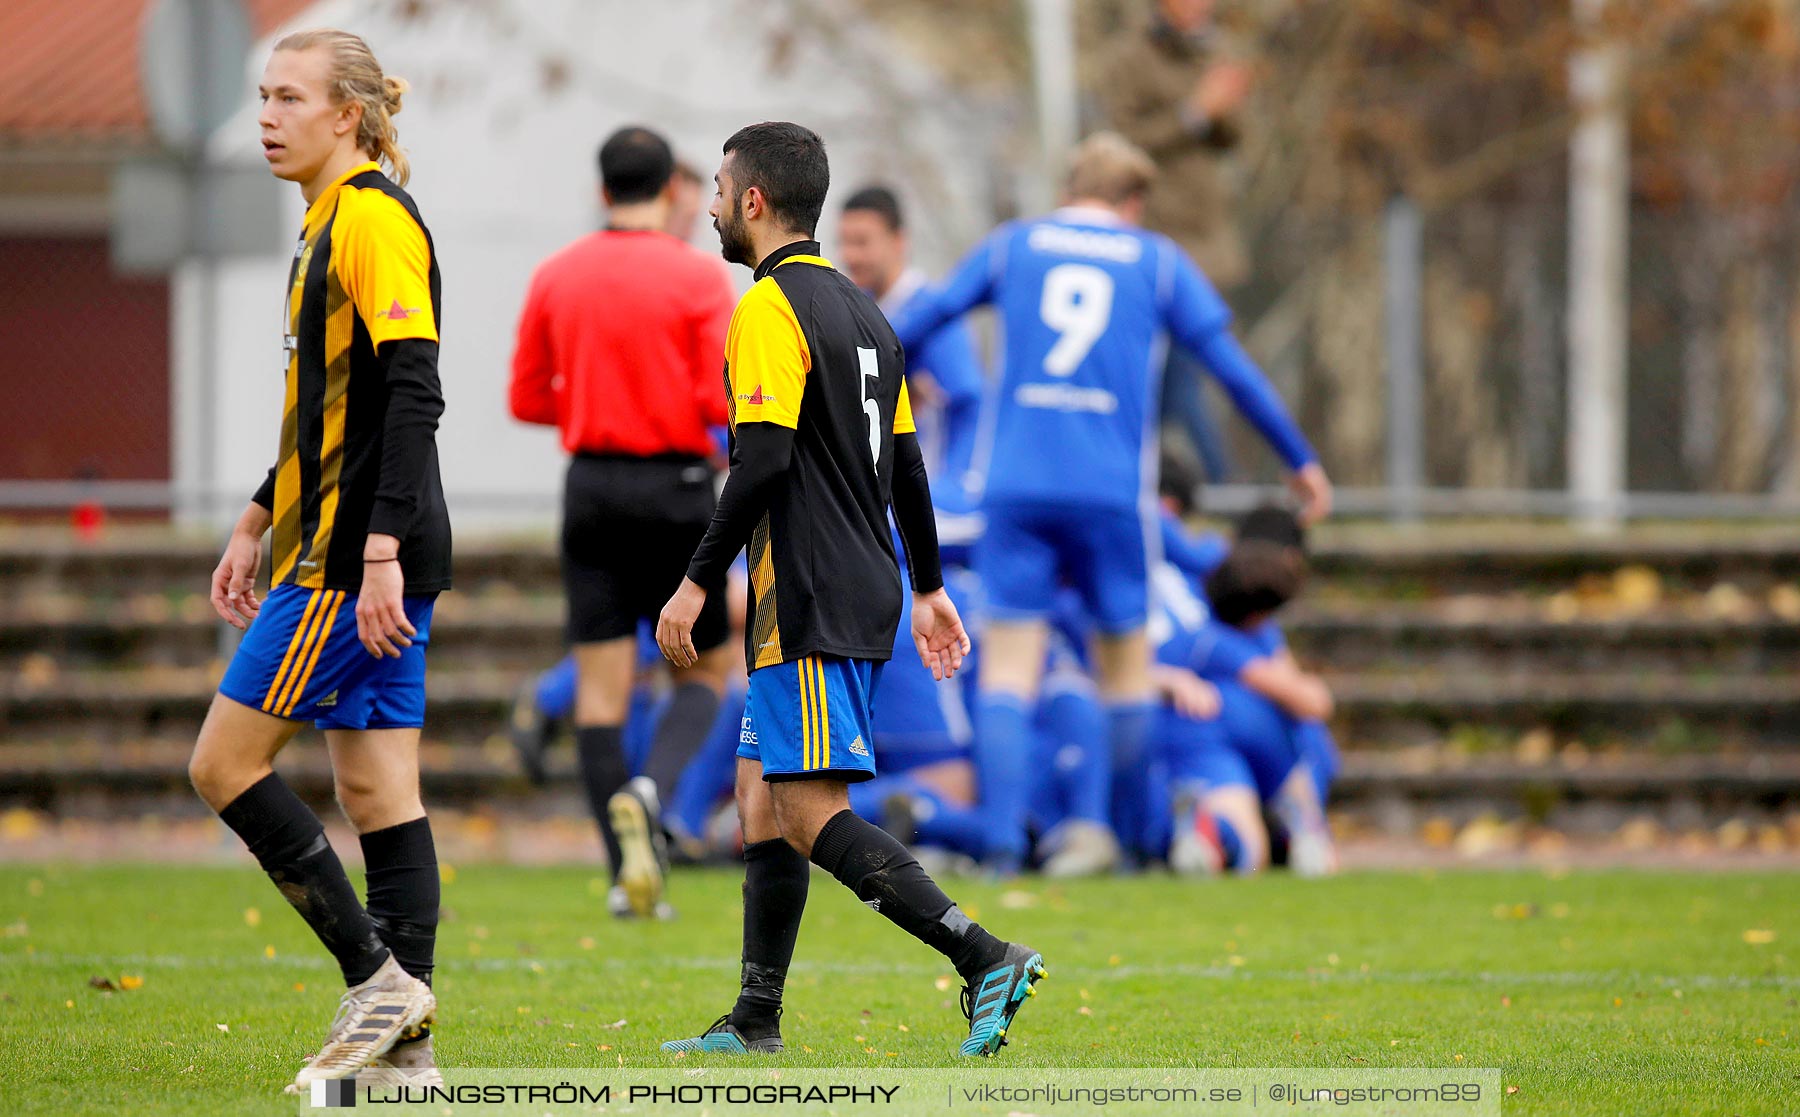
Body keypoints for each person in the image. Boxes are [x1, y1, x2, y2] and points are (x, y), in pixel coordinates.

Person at [655, 122, 1044, 1058]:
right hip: (861, 580)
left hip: (810, 591)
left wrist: (694, 582)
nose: (709, 204)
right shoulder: (868, 313)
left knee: (806, 809)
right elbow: (907, 465)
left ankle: (983, 953)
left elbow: (760, 465)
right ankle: (755, 1018)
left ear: (753, 201)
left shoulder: (768, 308)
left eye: (716, 188)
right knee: (759, 800)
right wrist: (934, 587)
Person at [892, 132, 1330, 873]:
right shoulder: (1157, 261)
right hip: (1111, 494)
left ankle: (1002, 843)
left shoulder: (1011, 247)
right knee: (1124, 670)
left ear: (1069, 189)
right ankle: (1130, 844)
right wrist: (1299, 458)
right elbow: (1232, 369)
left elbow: (918, 322)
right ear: (1134, 202)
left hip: (1018, 486)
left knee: (1009, 669)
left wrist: (829, 381)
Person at [188, 29, 447, 1092]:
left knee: (222, 764)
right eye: (262, 96)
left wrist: (375, 549)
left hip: (352, 561)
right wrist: (255, 514)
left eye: (289, 97)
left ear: (348, 115)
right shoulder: (325, 222)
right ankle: (407, 1058)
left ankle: (376, 982)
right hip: (350, 543)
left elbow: (415, 392)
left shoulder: (373, 221)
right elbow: (332, 413)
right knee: (378, 788)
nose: (266, 116)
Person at [508, 126, 737, 919]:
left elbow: (527, 398)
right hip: (675, 486)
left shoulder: (556, 275)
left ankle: (622, 876)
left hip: (592, 488)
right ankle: (654, 790)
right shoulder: (700, 280)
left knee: (601, 695)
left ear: (602, 190)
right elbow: (721, 402)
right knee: (707, 668)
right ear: (671, 192)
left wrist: (596, 401)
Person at [1098, 0, 1257, 480]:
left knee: (1174, 380)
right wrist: (1192, 113)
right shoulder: (1130, 57)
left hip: (1208, 244)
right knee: (1176, 376)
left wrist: (1223, 105)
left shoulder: (1216, 51)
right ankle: (1225, 486)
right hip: (1156, 241)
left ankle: (1143, 477)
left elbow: (1234, 137)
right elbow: (1120, 140)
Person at [1161, 511, 1340, 876]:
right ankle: (1302, 825)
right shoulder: (1231, 642)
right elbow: (1311, 702)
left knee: (1245, 843)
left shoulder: (1193, 622)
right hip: (1249, 728)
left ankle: (1211, 834)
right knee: (1308, 740)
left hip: (1189, 729)